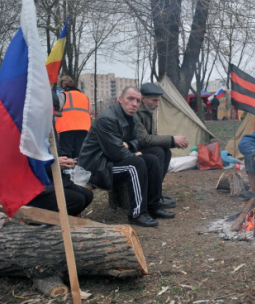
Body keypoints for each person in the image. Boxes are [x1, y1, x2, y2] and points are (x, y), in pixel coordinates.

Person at [78, 86, 174, 227]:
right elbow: (116, 153)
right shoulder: (107, 119)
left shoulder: (133, 117)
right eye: (130, 99)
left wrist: (128, 145)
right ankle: (137, 214)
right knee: (136, 164)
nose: (134, 104)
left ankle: (153, 206)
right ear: (120, 99)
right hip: (97, 166)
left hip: (110, 160)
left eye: (137, 100)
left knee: (152, 160)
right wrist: (132, 152)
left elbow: (138, 140)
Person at [137, 83, 189, 210]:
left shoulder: (147, 111)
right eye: (154, 100)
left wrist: (172, 143)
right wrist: (172, 139)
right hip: (130, 150)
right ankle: (151, 198)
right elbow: (144, 139)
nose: (157, 104)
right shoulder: (136, 113)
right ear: (143, 98)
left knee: (165, 152)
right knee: (158, 152)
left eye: (158, 101)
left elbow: (153, 136)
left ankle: (156, 192)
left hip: (141, 146)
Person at [28, 156, 93, 216]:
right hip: (32, 185)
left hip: (52, 179)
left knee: (87, 195)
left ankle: (62, 220)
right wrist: (51, 163)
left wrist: (66, 161)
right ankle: (42, 221)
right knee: (76, 200)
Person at [55, 76, 91, 158]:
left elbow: (57, 109)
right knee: (80, 151)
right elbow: (89, 111)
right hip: (84, 128)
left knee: (66, 151)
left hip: (67, 127)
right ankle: (79, 168)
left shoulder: (63, 95)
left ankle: (67, 170)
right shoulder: (86, 97)